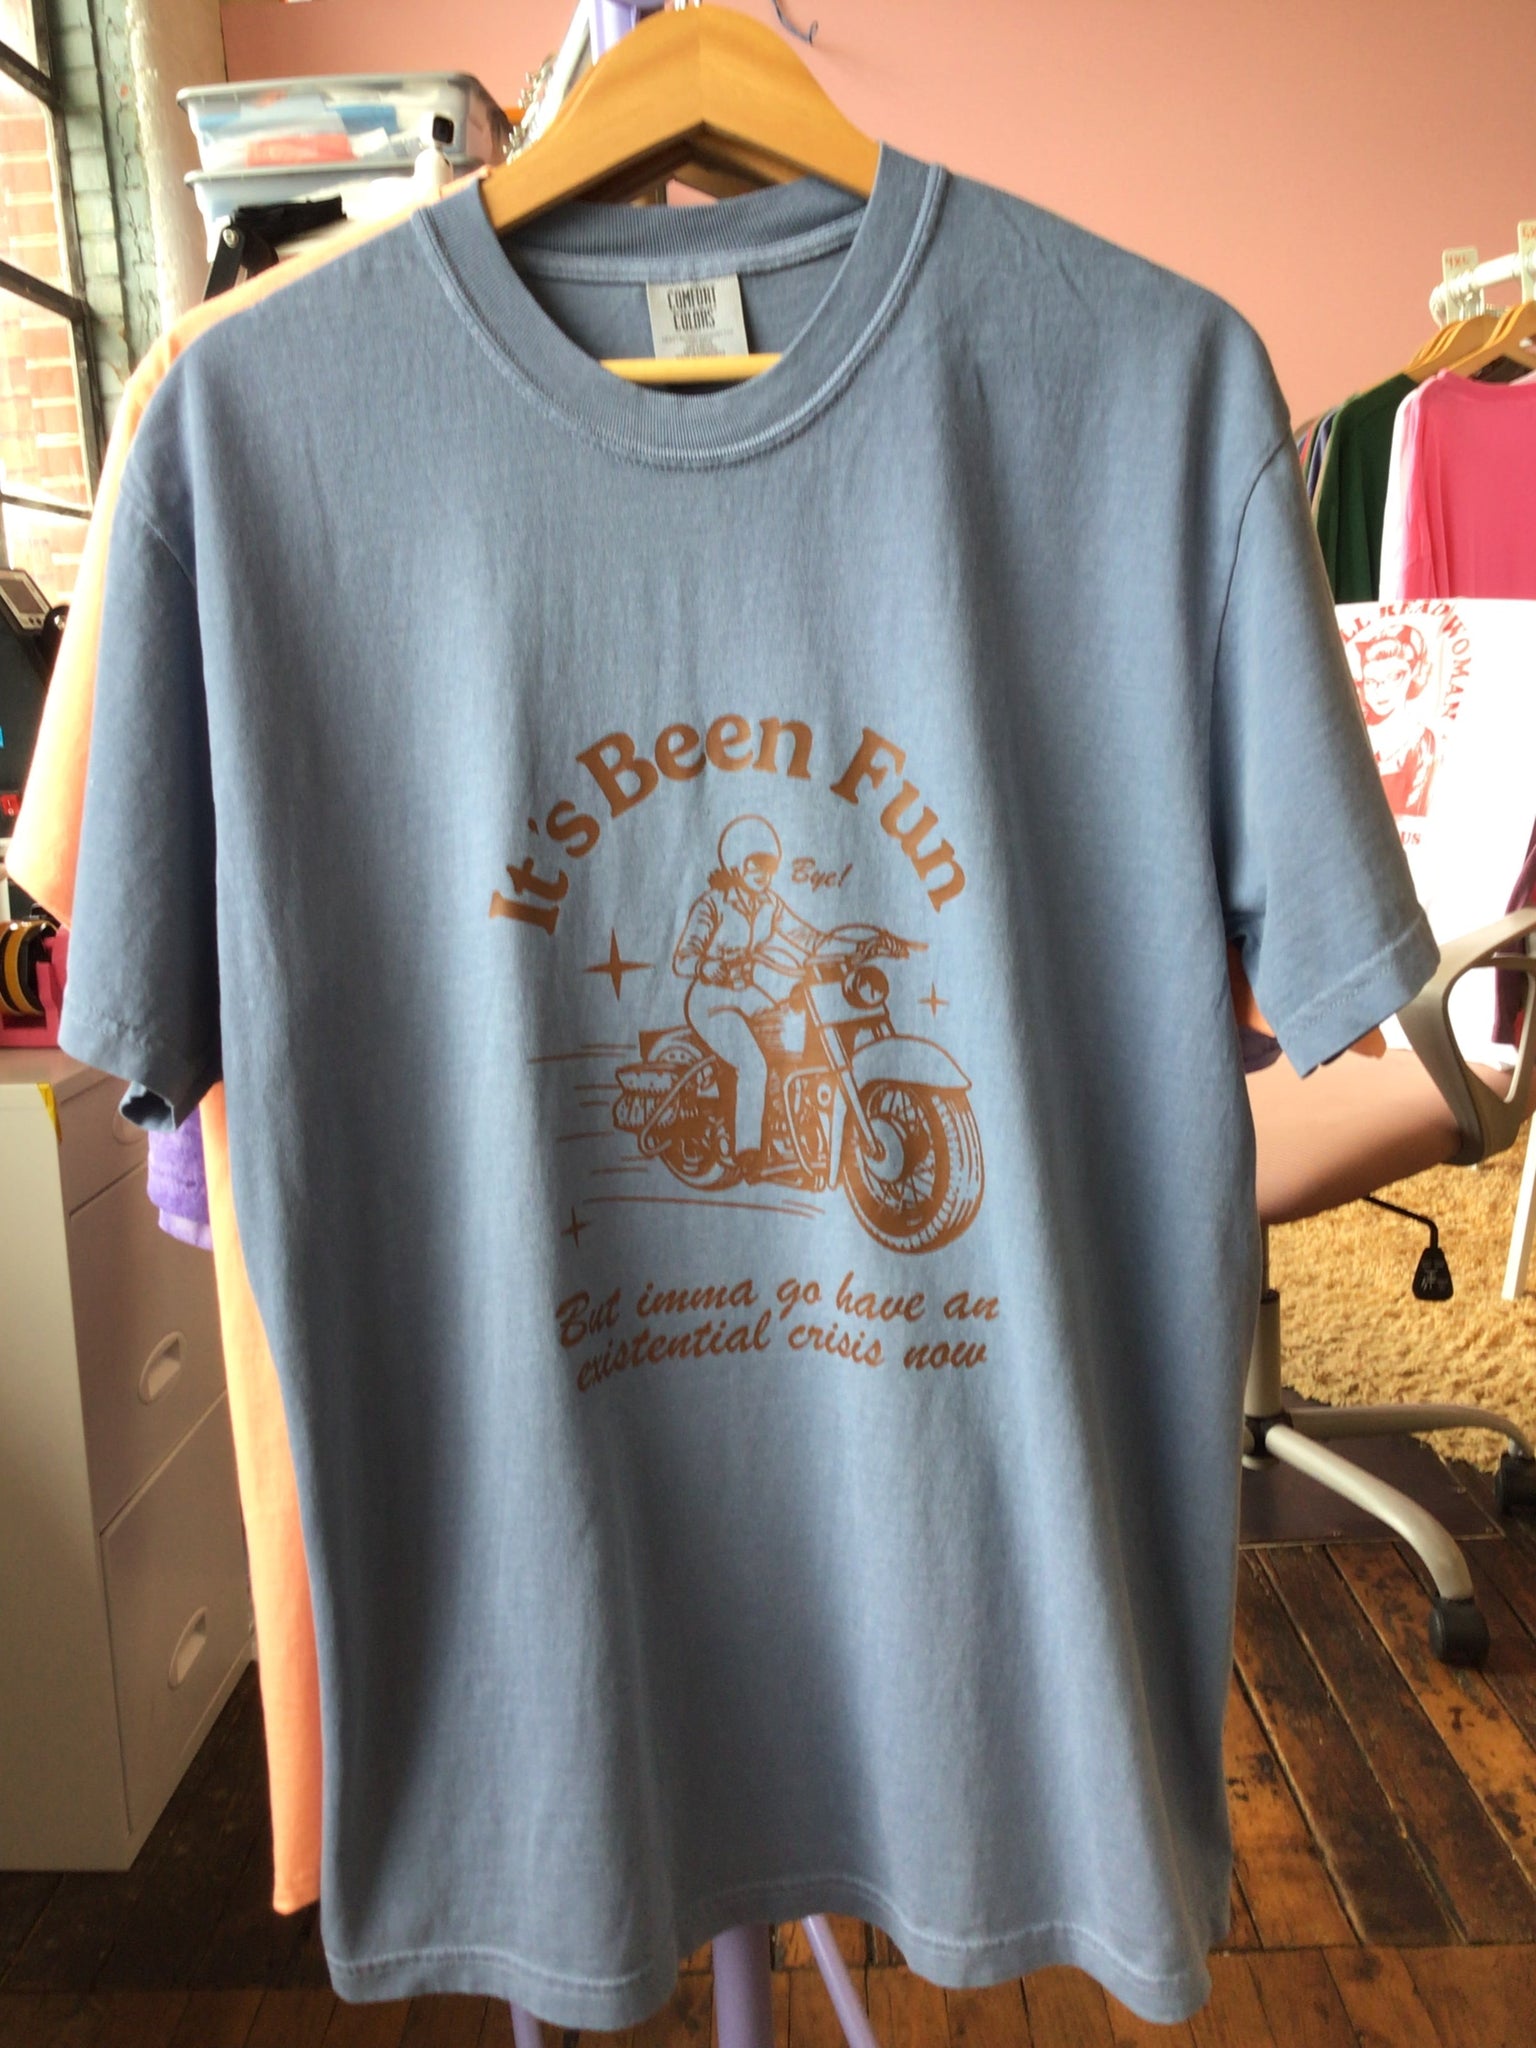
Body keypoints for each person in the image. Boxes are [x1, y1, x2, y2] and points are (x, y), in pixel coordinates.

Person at [672, 814, 833, 1180]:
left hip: (747, 993)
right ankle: (748, 1153)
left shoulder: (769, 904)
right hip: (711, 1000)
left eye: (768, 865)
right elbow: (683, 957)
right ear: (736, 864)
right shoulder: (713, 903)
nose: (763, 874)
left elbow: (806, 936)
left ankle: (792, 1131)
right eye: (755, 864)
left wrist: (848, 945)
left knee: (794, 1034)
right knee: (753, 1063)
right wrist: (706, 966)